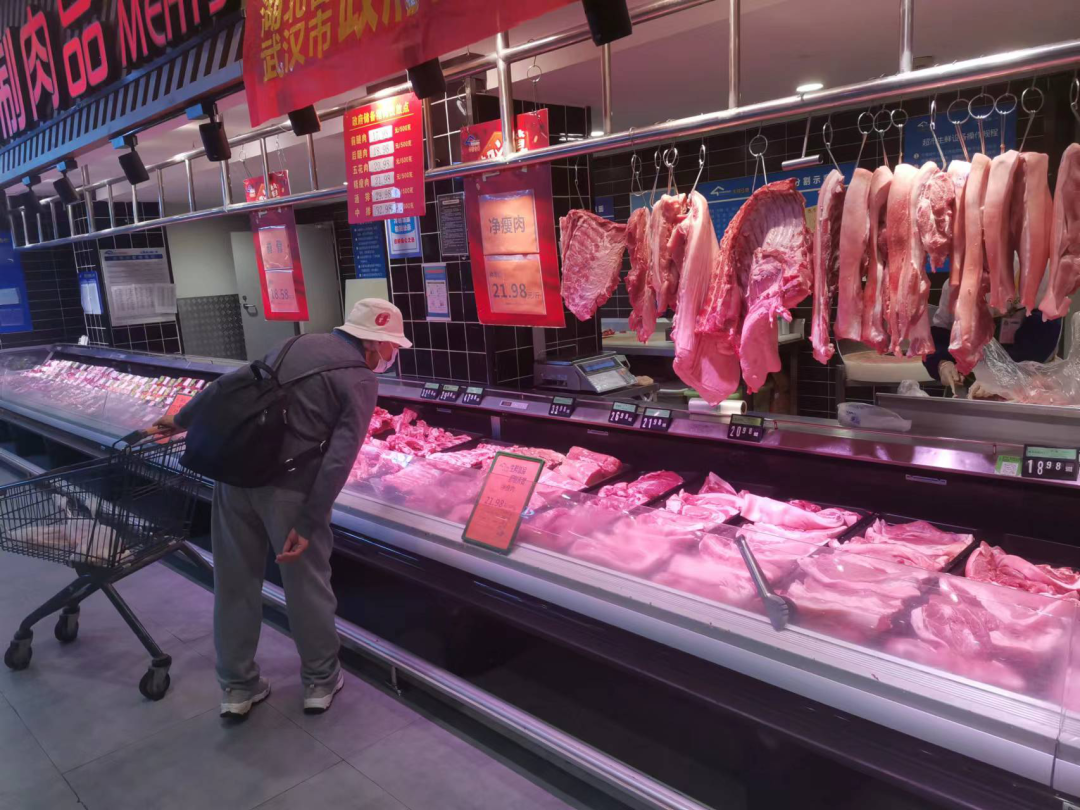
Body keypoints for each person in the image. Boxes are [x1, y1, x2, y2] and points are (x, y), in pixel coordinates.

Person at [152, 299, 410, 717]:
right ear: (373, 343)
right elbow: (339, 458)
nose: (392, 355)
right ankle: (320, 681)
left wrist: (180, 420)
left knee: (234, 584)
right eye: (391, 346)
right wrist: (309, 521)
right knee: (306, 587)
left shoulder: (295, 344)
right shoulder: (360, 379)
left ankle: (237, 688)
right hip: (290, 492)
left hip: (234, 478)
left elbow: (228, 385)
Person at [923, 281, 1062, 397]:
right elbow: (940, 336)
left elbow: (1042, 338)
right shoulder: (955, 284)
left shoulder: (1035, 276)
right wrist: (942, 363)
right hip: (968, 391)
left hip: (1029, 389)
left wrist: (999, 378)